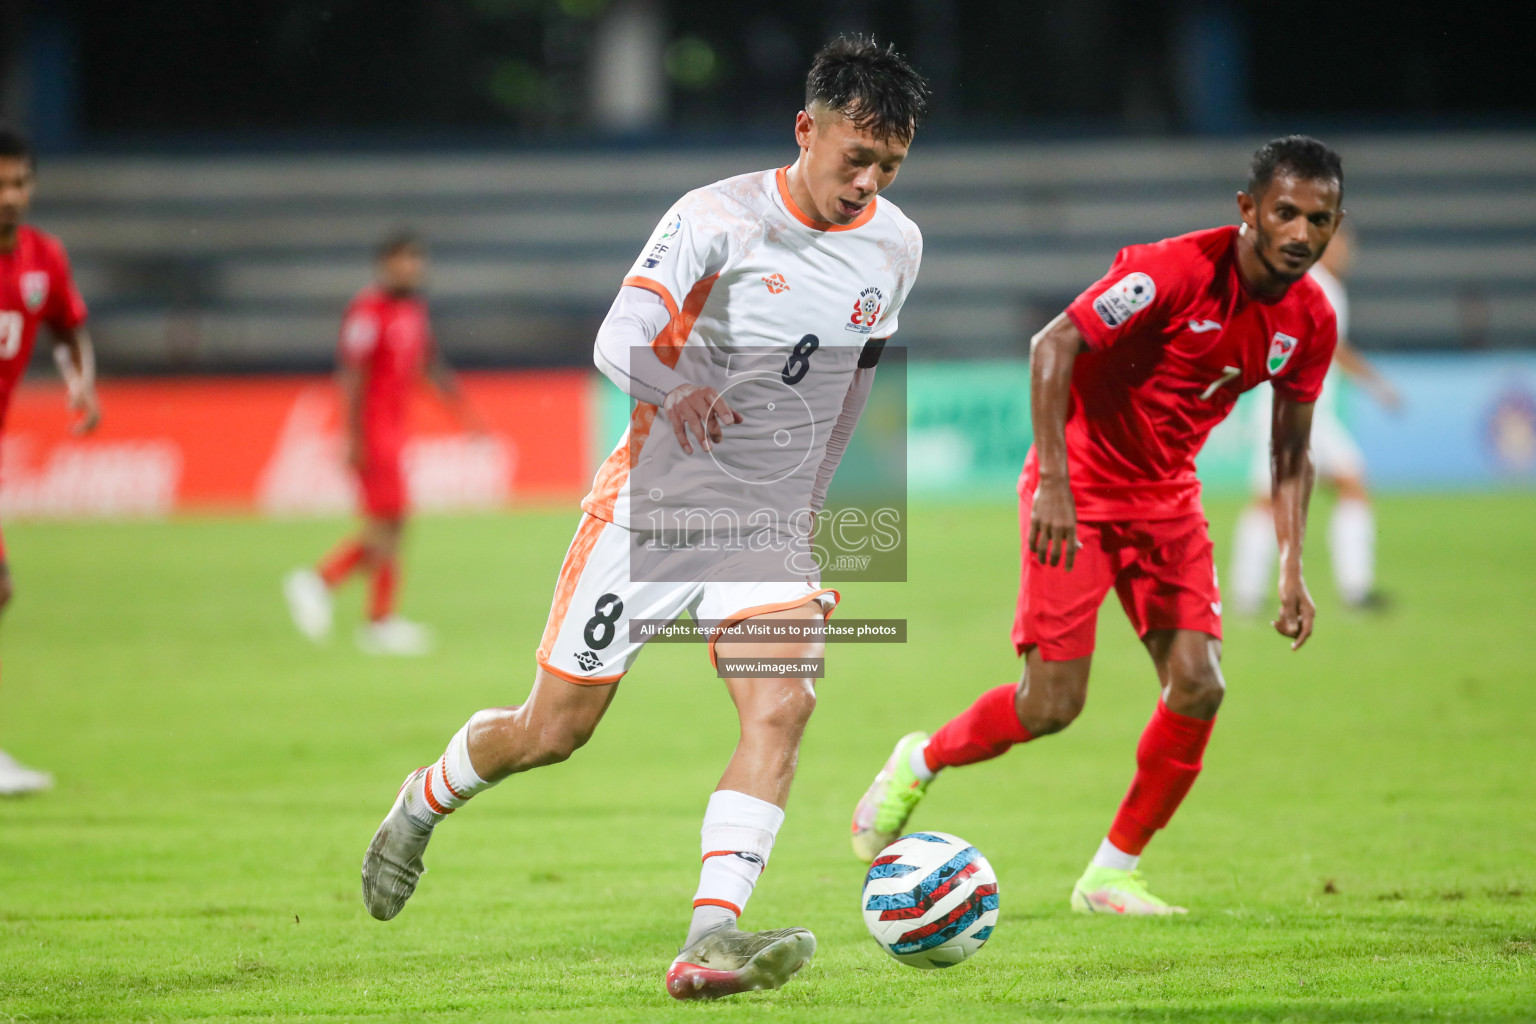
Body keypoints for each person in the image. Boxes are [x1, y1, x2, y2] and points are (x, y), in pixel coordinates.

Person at [359, 37, 926, 999]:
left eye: (887, 167)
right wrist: (681, 387)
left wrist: (814, 496)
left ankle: (712, 939)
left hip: (765, 523)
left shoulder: (896, 244)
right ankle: (423, 800)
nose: (865, 184)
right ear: (806, 130)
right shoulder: (716, 218)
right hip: (653, 507)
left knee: (782, 707)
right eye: (853, 160)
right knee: (553, 731)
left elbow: (856, 377)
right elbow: (617, 335)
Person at [851, 136, 1345, 915]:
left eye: (1319, 219)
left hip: (1169, 501)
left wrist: (1292, 568)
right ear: (1249, 210)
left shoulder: (1311, 320)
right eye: (1285, 212)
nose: (1300, 234)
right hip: (1076, 491)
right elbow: (1054, 344)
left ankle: (1110, 874)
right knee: (1051, 705)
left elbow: (1291, 448)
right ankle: (922, 757)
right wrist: (1051, 478)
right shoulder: (1172, 271)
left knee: (1199, 685)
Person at [284, 231, 484, 656]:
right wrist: (353, 437)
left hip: (395, 430)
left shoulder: (413, 309)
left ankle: (374, 617)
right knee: (385, 525)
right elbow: (352, 376)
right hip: (373, 433)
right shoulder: (368, 311)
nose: (411, 268)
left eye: (416, 260)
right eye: (403, 260)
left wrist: (467, 418)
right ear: (384, 264)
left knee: (394, 524)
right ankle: (323, 583)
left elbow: (430, 366)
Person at [0, 123, 101, 796]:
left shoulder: (43, 258)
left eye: (19, 182)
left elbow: (68, 326)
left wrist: (79, 380)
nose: (9, 195)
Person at [1230, 227, 1400, 613]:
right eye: (1340, 243)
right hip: (1297, 407)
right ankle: (1349, 589)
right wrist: (1376, 384)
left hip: (1300, 407)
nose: (1346, 251)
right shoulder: (1317, 285)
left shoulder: (1313, 283)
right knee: (1317, 491)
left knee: (1332, 488)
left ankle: (1253, 592)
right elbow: (1332, 348)